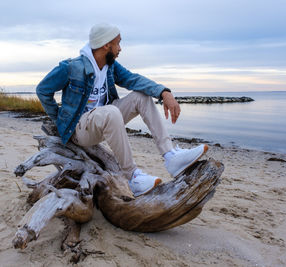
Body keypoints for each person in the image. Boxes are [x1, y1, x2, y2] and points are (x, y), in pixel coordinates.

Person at [36, 23, 208, 197]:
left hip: (106, 120)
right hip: (80, 130)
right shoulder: (72, 67)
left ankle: (170, 156)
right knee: (110, 111)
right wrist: (59, 120)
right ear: (106, 45)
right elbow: (43, 90)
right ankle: (132, 177)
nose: (120, 48)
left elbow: (133, 79)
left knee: (141, 96)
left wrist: (164, 92)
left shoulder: (110, 67)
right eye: (118, 43)